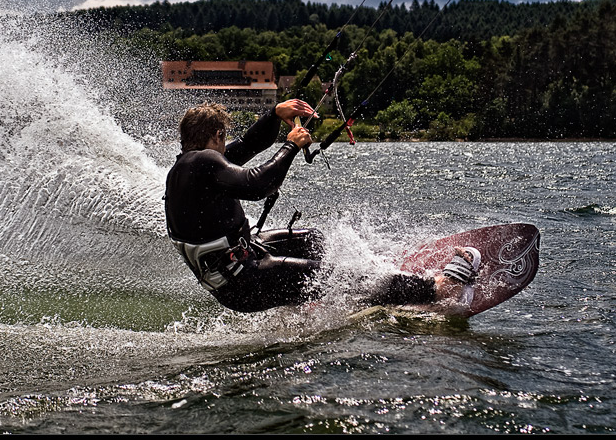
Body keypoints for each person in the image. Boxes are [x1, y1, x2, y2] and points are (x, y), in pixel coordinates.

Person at [164, 99, 482, 313]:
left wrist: (275, 113)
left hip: (239, 270)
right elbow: (258, 184)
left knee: (312, 240)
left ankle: (309, 297)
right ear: (216, 135)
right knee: (337, 278)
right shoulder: (205, 162)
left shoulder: (187, 168)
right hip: (246, 280)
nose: (226, 143)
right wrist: (292, 144)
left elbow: (248, 145)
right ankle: (440, 290)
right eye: (224, 136)